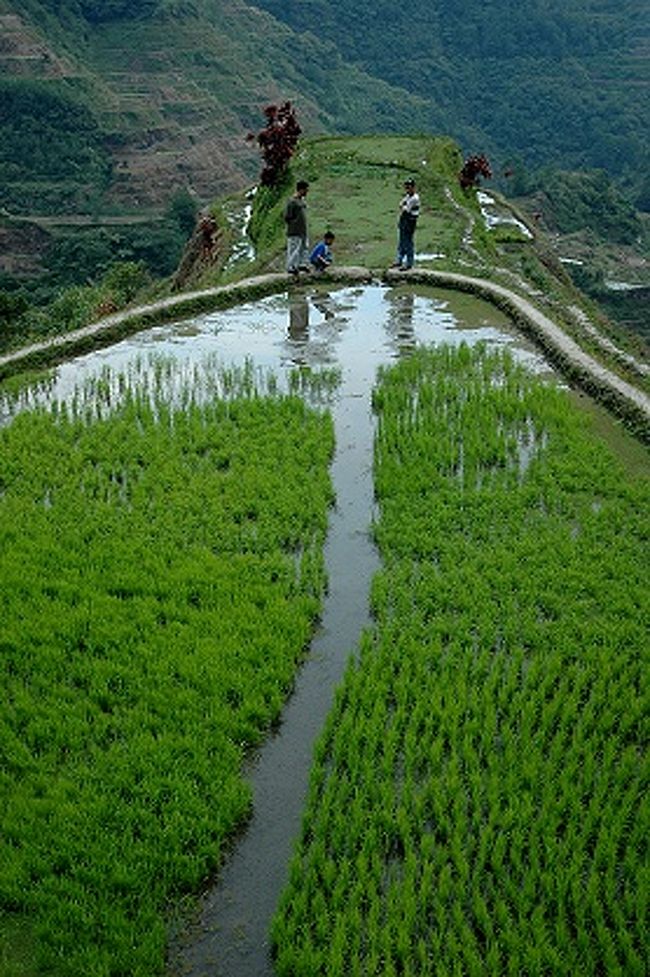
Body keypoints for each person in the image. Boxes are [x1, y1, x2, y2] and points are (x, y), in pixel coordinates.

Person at [284, 180, 310, 274]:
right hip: (294, 230)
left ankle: (301, 265)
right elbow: (287, 217)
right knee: (294, 249)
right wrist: (294, 224)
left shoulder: (301, 201)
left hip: (303, 230)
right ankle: (291, 267)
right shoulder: (292, 202)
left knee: (303, 248)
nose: (307, 192)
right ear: (301, 190)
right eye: (306, 190)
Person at [394, 178, 420, 269]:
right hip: (405, 220)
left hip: (410, 221)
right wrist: (403, 205)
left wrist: (403, 206)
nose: (407, 190)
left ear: (413, 187)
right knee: (401, 241)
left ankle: (409, 263)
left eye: (409, 187)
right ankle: (399, 261)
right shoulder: (409, 196)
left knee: (408, 242)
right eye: (406, 188)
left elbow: (406, 209)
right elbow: (401, 204)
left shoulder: (414, 198)